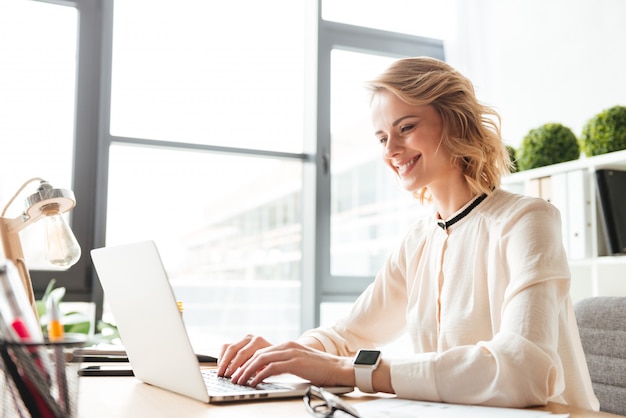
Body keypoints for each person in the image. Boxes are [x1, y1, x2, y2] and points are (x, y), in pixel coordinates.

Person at [217, 56, 599, 410]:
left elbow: (523, 369)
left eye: (407, 128)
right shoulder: (420, 240)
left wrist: (351, 371)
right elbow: (347, 333)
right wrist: (288, 355)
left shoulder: (527, 220)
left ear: (453, 121)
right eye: (383, 138)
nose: (392, 150)